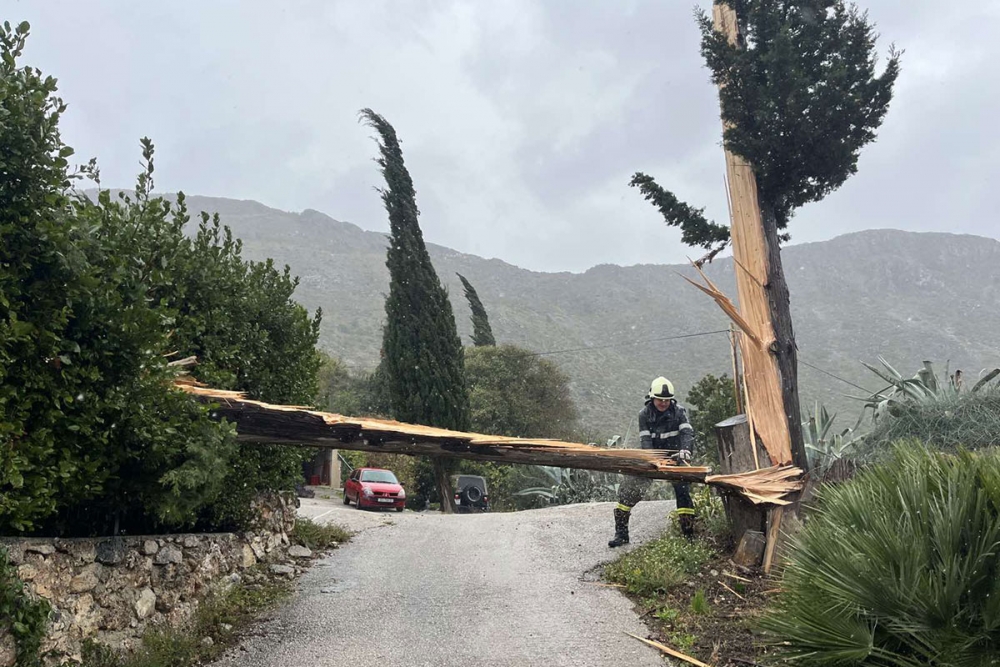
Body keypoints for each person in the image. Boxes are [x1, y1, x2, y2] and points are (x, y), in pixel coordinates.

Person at [608, 376, 696, 547]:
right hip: (651, 456)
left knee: (682, 491)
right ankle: (621, 534)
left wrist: (685, 451)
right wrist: (652, 460)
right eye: (660, 400)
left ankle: (688, 534)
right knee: (629, 488)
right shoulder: (644, 415)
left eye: (666, 400)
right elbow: (646, 441)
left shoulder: (679, 412)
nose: (663, 403)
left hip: (675, 457)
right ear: (652, 398)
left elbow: (687, 434)